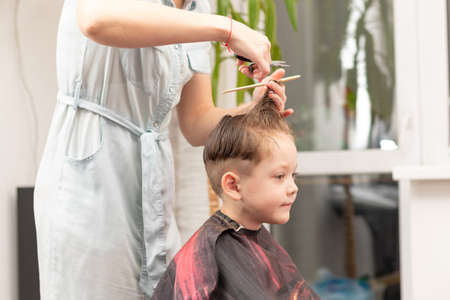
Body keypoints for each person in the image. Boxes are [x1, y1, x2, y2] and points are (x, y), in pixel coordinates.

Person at [33, 0, 293, 299]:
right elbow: (96, 20)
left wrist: (251, 108)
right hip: (90, 184)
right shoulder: (214, 23)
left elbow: (196, 123)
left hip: (154, 189)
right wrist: (227, 28)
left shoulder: (199, 9)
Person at [152, 94, 321, 299]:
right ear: (233, 185)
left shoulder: (249, 238)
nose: (293, 188)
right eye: (279, 176)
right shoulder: (214, 253)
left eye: (293, 176)